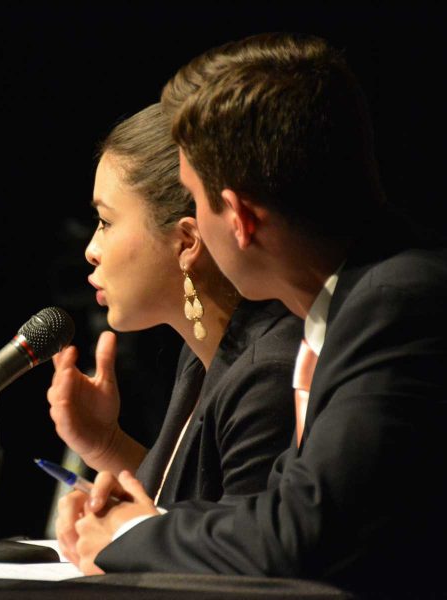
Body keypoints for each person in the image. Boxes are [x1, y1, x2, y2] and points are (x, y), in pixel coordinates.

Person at [61, 33, 447, 597]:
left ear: (239, 219)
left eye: (193, 199)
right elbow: (280, 509)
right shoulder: (353, 305)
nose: (190, 223)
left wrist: (134, 534)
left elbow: (299, 533)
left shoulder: (397, 305)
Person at [48, 103, 301, 532]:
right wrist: (107, 445)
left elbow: (236, 560)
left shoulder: (268, 375)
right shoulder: (204, 354)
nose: (91, 248)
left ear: (186, 240)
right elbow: (190, 506)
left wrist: (122, 539)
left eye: (105, 221)